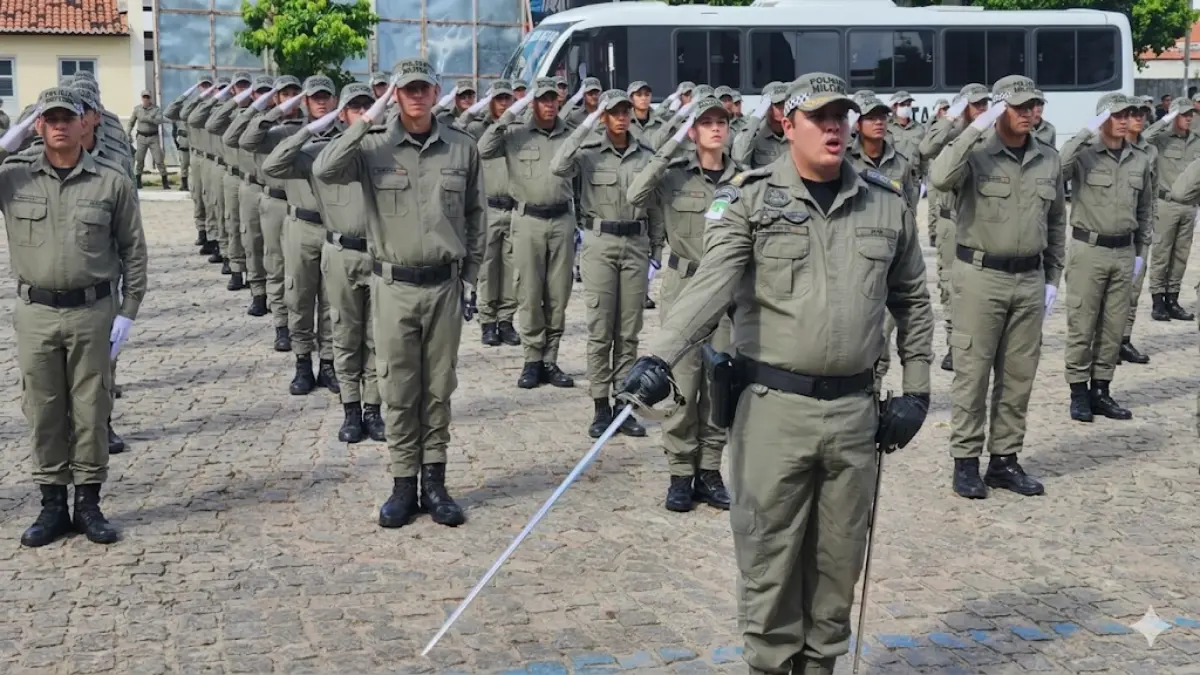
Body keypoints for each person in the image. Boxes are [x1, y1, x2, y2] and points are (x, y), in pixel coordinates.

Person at [620, 73, 933, 675]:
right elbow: (709, 286)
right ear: (787, 125)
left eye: (841, 116)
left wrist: (916, 390)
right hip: (773, 411)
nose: (835, 127)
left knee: (839, 564)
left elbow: (913, 301)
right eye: (819, 117)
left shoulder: (885, 202)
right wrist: (659, 357)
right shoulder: (750, 199)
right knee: (768, 558)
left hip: (854, 414)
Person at [312, 58, 485, 528]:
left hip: (444, 286)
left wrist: (470, 276)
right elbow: (325, 169)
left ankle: (436, 482)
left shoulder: (461, 148)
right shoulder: (372, 146)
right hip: (393, 287)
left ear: (436, 92)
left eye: (423, 87)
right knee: (398, 388)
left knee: (438, 387)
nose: (416, 95)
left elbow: (476, 215)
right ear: (395, 94)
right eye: (406, 89)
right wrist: (367, 119)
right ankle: (403, 483)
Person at [0, 87, 148, 547]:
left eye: (68, 117)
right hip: (36, 313)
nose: (60, 125)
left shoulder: (111, 181)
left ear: (85, 122)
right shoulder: (14, 177)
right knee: (43, 409)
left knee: (91, 408)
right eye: (51, 119)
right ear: (38, 126)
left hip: (93, 311)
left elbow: (134, 251)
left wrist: (128, 312)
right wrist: (9, 140)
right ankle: (52, 505)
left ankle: (88, 503)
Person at [929, 75, 1066, 500]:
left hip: (1028, 279)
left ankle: (1004, 460)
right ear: (999, 109)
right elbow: (939, 176)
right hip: (980, 276)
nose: (1030, 113)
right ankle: (965, 461)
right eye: (1019, 106)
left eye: (1034, 105)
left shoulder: (1047, 158)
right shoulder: (975, 154)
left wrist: (1052, 278)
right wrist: (974, 127)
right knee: (972, 372)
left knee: (1018, 375)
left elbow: (1056, 222)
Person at [626, 96, 737, 513]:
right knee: (683, 384)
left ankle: (709, 471)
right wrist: (671, 145)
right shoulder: (674, 176)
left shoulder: (743, 179)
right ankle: (679, 473)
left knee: (719, 381)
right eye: (706, 122)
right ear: (692, 131)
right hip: (684, 286)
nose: (715, 128)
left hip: (727, 290)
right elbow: (635, 193)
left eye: (721, 121)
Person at [263, 81, 386, 444]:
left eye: (367, 107)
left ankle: (373, 408)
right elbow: (273, 165)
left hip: (377, 254)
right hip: (337, 249)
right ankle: (349, 406)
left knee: (376, 337)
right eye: (354, 108)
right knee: (338, 326)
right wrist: (307, 130)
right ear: (342, 114)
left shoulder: (385, 153)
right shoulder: (321, 152)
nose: (362, 113)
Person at [550, 89, 663, 438]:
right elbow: (558, 166)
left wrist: (656, 251)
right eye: (614, 112)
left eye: (625, 111)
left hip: (636, 244)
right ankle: (600, 405)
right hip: (600, 244)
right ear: (602, 116)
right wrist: (585, 125)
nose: (621, 117)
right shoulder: (587, 153)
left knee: (628, 332)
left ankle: (623, 404)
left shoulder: (645, 154)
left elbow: (655, 204)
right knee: (601, 330)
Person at [1059, 93, 1153, 422]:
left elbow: (1145, 210)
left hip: (1124, 252)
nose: (1126, 120)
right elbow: (1058, 168)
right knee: (1082, 324)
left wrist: (1141, 253)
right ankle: (1078, 392)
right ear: (1102, 119)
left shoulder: (1139, 159)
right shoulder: (1084, 154)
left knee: (1113, 327)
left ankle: (1101, 390)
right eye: (1118, 115)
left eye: (1129, 114)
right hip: (1089, 250)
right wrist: (1087, 131)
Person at [478, 78, 577, 389]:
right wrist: (510, 113)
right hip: (527, 221)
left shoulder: (571, 134)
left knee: (558, 294)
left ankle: (551, 358)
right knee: (529, 292)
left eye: (552, 99)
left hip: (562, 220)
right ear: (532, 102)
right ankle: (532, 359)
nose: (548, 105)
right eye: (542, 99)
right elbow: (484, 149)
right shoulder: (515, 133)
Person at [254, 76, 340, 395]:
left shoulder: (346, 136)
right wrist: (291, 118)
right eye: (314, 97)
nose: (321, 102)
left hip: (333, 227)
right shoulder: (289, 134)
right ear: (304, 102)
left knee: (332, 300)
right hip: (300, 225)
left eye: (326, 97)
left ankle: (328, 363)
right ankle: (303, 362)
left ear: (334, 101)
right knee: (299, 296)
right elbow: (247, 139)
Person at [919, 83, 991, 373]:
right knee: (950, 283)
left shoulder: (993, 134)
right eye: (976, 104)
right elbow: (926, 149)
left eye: (985, 104)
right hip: (950, 220)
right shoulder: (949, 132)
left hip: (979, 219)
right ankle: (953, 342)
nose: (982, 109)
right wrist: (951, 118)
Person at [242, 75, 304, 352]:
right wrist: (272, 111)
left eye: (295, 93)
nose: (290, 99)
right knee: (276, 264)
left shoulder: (315, 127)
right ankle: (282, 324)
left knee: (304, 273)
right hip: (277, 203)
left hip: (307, 206)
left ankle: (306, 328)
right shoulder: (269, 130)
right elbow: (240, 139)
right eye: (284, 94)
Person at [458, 81, 522, 348]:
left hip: (514, 206)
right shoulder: (476, 128)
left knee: (511, 269)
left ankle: (506, 320)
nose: (504, 104)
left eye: (508, 99)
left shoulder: (519, 129)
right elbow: (458, 127)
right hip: (489, 207)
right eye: (499, 99)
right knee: (487, 268)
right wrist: (478, 108)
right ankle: (487, 321)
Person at [222, 75, 279, 315]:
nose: (265, 96)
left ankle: (280, 300)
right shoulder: (248, 119)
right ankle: (258, 292)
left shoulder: (287, 121)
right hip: (253, 186)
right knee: (252, 240)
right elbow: (226, 135)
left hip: (282, 192)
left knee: (277, 250)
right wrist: (252, 108)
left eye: (269, 92)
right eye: (260, 92)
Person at [1143, 98, 1200, 322]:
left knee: (1181, 256)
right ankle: (1158, 301)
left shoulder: (1197, 140)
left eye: (1190, 114)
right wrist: (1165, 119)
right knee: (1161, 253)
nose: (1188, 118)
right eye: (1183, 114)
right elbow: (1144, 138)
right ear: (1174, 116)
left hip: (1189, 206)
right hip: (1166, 204)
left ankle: (1172, 299)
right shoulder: (1161, 139)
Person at [1120, 96, 1157, 364]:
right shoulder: (1107, 147)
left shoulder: (1150, 151)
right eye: (1134, 114)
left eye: (1142, 114)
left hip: (1137, 229)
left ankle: (1124, 339)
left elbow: (1150, 195)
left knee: (1133, 290)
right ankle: (1105, 343)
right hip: (1112, 229)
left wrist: (1148, 231)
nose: (1139, 119)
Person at [164, 76, 215, 255]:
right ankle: (202, 231)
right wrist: (191, 94)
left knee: (213, 200)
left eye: (209, 86)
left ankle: (213, 237)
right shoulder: (192, 107)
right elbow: (170, 112)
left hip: (213, 158)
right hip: (196, 156)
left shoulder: (218, 107)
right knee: (198, 196)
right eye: (203, 86)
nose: (206, 89)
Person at [731, 81, 789, 168]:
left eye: (785, 103)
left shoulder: (795, 132)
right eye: (778, 104)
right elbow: (739, 159)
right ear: (766, 106)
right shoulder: (754, 134)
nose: (783, 108)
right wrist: (756, 117)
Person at [127, 90, 169, 189]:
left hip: (153, 137)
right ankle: (138, 181)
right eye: (144, 97)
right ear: (142, 98)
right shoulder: (137, 109)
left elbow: (159, 120)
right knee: (139, 159)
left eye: (147, 97)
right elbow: (131, 122)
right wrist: (127, 133)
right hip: (141, 137)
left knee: (159, 159)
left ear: (150, 98)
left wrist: (146, 118)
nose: (146, 99)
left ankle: (165, 181)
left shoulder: (156, 109)